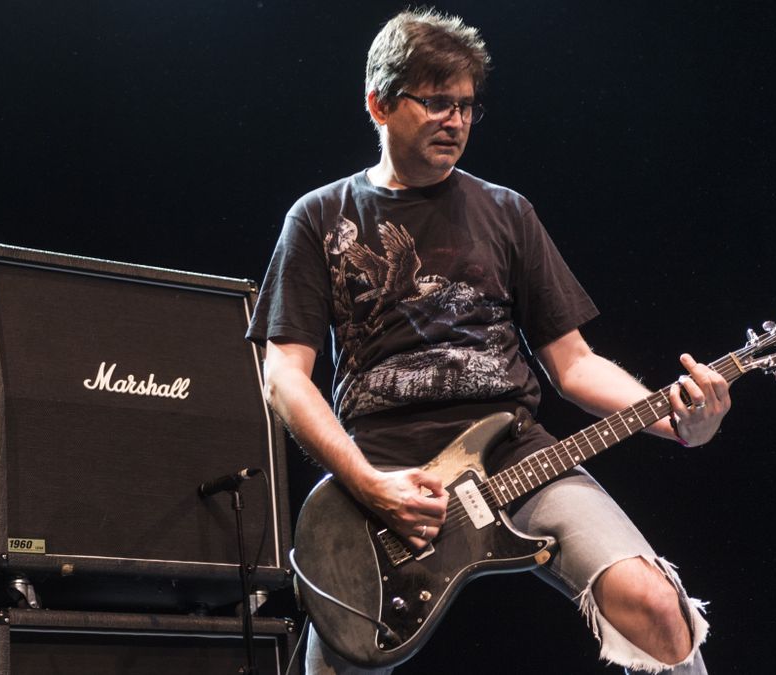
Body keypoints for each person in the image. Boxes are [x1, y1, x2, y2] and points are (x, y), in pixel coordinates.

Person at [246, 8, 730, 675]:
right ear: (379, 103)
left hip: (515, 456)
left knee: (656, 602)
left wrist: (674, 417)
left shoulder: (507, 211)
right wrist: (366, 481)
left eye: (468, 107)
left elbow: (575, 363)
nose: (457, 121)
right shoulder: (320, 216)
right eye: (438, 103)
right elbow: (284, 378)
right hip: (381, 481)